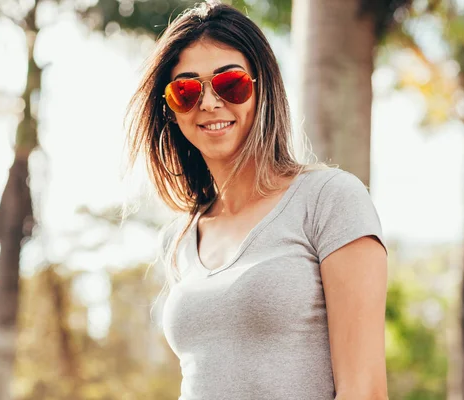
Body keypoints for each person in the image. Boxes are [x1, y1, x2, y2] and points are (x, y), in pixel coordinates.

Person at [124, 1, 389, 399]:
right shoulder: (179, 239)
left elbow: (364, 390)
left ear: (261, 88)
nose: (210, 103)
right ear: (170, 111)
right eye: (187, 90)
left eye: (230, 83)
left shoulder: (330, 199)